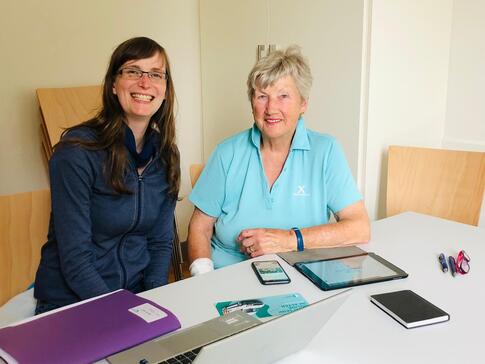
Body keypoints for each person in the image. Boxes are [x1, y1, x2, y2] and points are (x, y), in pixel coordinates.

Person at [187, 46, 369, 275]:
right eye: (262, 96)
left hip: (305, 274)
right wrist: (204, 279)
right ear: (252, 102)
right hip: (231, 276)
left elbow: (359, 227)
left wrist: (289, 240)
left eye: (283, 96)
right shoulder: (227, 152)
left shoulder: (326, 151)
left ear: (303, 103)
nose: (271, 108)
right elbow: (199, 227)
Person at [34, 37, 180, 314]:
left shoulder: (166, 155)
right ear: (113, 84)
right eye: (133, 71)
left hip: (132, 296)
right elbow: (76, 259)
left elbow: (160, 242)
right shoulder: (76, 153)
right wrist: (121, 313)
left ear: (165, 89)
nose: (145, 83)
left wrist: (157, 302)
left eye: (155, 74)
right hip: (72, 300)